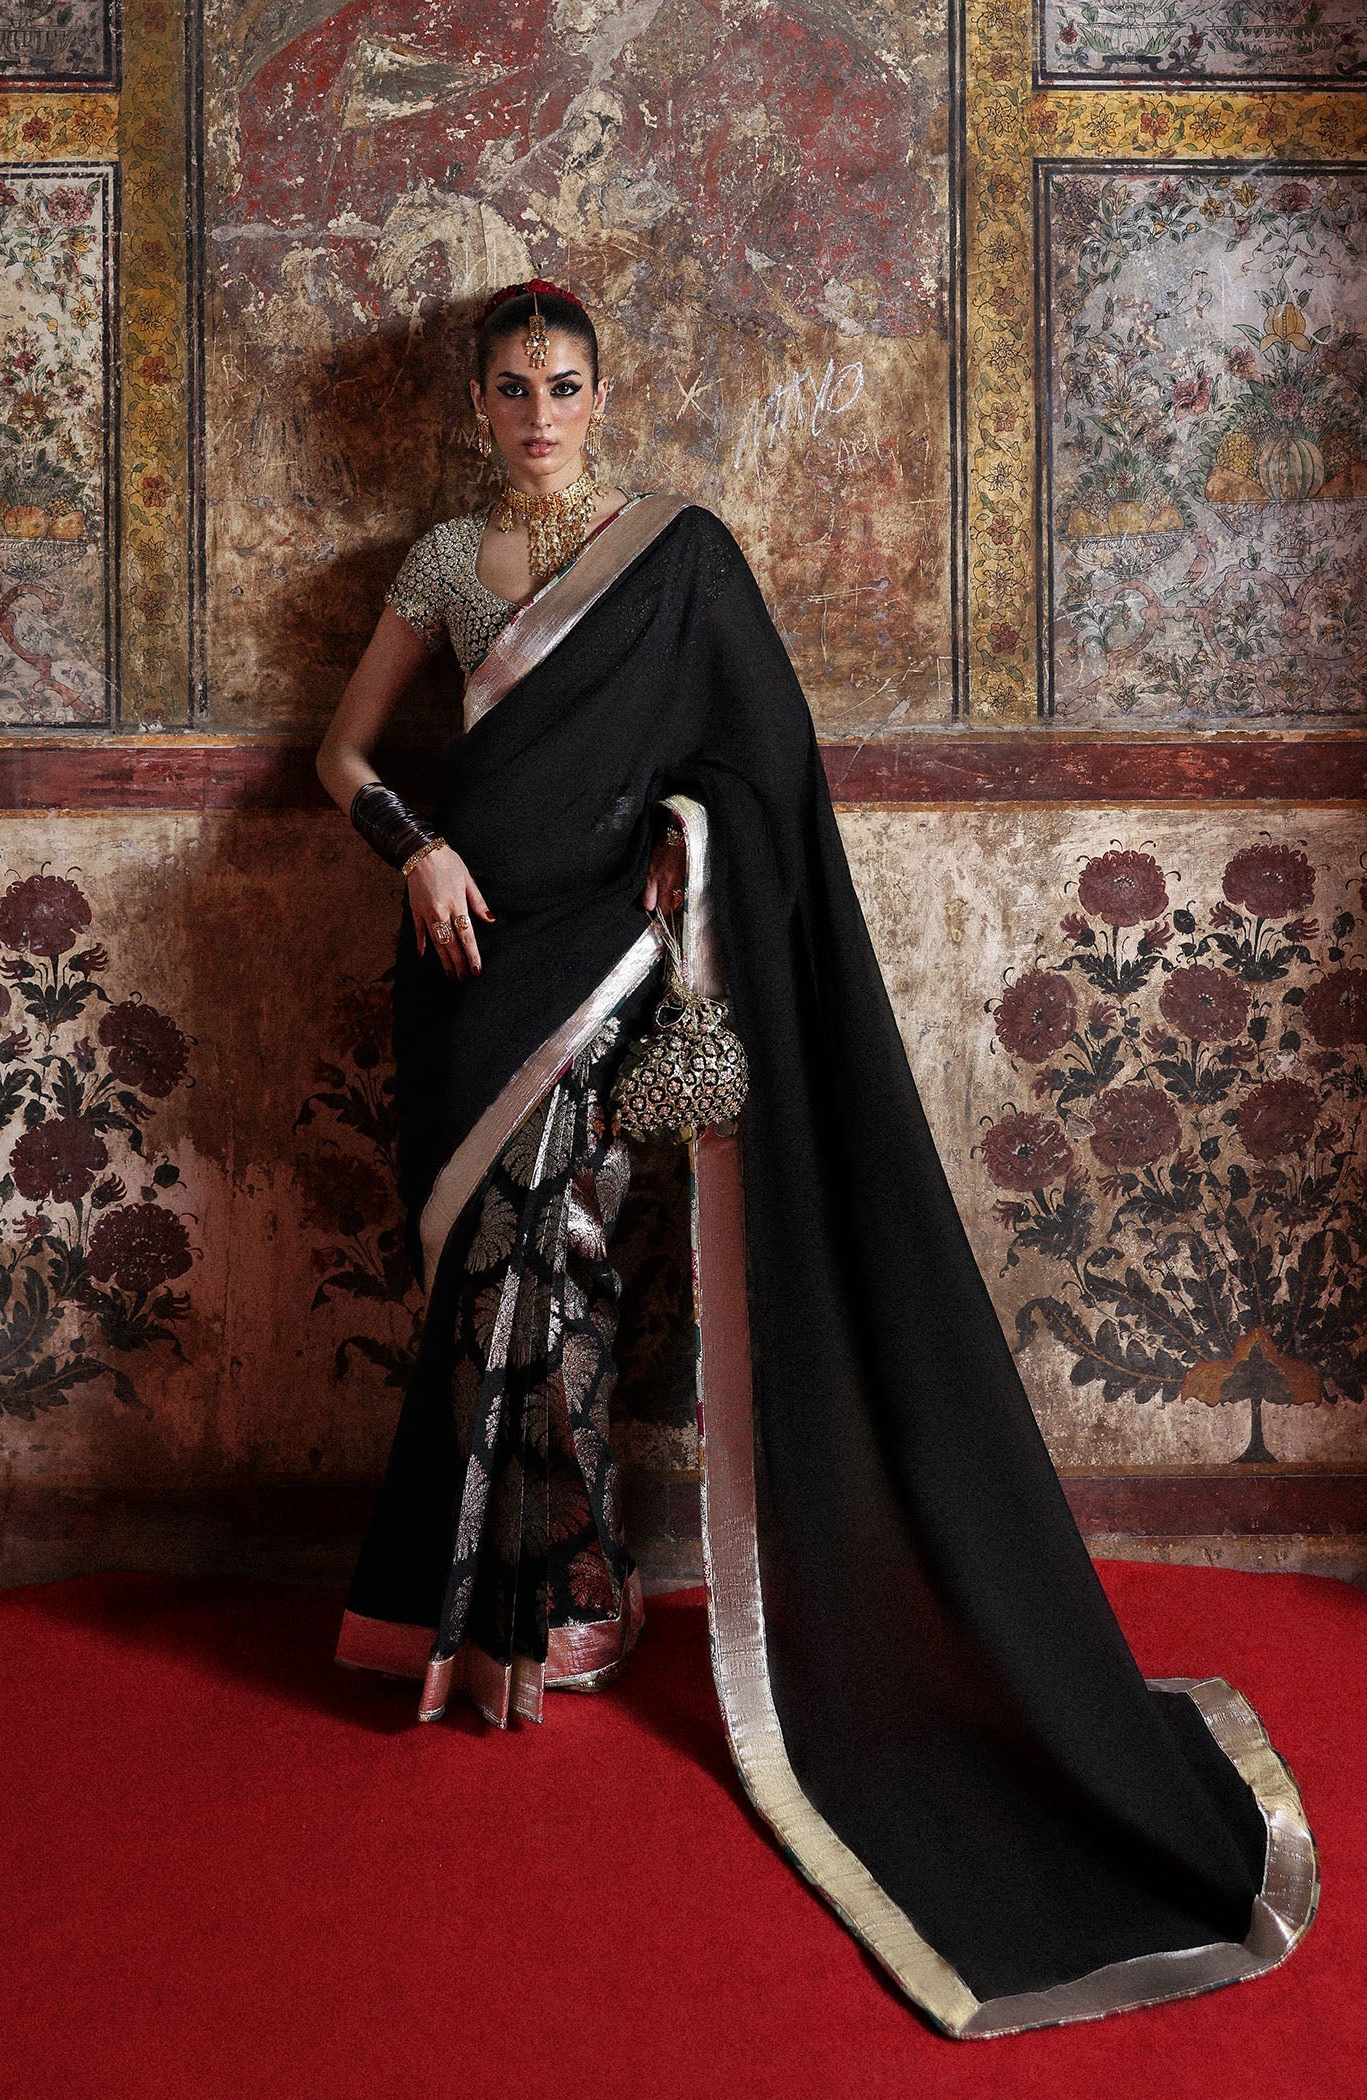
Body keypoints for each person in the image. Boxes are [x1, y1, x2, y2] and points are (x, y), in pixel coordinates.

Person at [314, 281, 1317, 2039]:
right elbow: (337, 750)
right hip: (467, 966)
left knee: (571, 1254)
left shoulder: (680, 555)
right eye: (513, 389)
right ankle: (497, 1607)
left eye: (566, 385)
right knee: (481, 1274)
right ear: (475, 406)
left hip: (610, 961)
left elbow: (761, 757)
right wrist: (411, 846)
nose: (540, 414)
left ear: (603, 394)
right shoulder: (446, 566)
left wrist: (689, 835)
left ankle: (574, 1595)